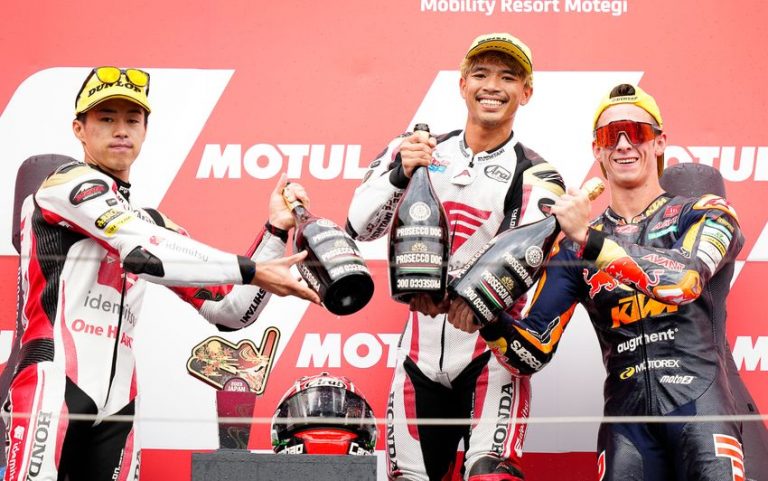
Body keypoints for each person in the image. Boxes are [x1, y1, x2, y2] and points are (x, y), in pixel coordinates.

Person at [1, 66, 320, 481]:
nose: (121, 130)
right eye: (106, 118)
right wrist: (253, 270)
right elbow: (142, 250)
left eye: (132, 120)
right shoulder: (64, 185)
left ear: (145, 131)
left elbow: (231, 311)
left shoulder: (151, 224)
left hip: (119, 404)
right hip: (51, 385)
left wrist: (275, 232)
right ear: (79, 129)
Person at [453, 83, 748, 480]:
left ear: (660, 143)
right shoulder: (572, 248)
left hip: (702, 414)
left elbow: (683, 281)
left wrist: (591, 241)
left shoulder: (705, 212)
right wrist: (486, 317)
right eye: (611, 136)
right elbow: (531, 354)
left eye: (636, 132)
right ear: (597, 150)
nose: (624, 144)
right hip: (627, 427)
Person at [347, 34, 565, 481]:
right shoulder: (413, 148)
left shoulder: (538, 174)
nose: (493, 86)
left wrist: (458, 295)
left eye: (508, 77)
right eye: (481, 74)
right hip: (417, 358)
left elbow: (520, 268)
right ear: (463, 84)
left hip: (490, 358)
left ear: (526, 92)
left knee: (490, 476)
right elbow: (358, 226)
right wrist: (399, 173)